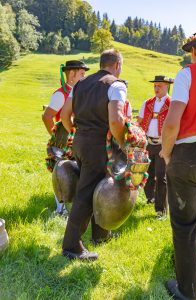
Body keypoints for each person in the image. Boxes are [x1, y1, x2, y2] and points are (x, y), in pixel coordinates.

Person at [60, 49, 129, 260]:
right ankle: (71, 246)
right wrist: (123, 142)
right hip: (100, 145)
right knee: (87, 193)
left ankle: (101, 234)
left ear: (101, 64)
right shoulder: (116, 85)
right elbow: (116, 121)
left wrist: (76, 131)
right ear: (117, 65)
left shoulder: (80, 84)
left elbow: (64, 115)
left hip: (80, 142)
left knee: (99, 186)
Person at [161, 31, 196, 300]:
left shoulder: (188, 73)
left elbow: (173, 121)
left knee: (185, 226)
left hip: (188, 154)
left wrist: (165, 152)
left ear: (195, 51)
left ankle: (188, 291)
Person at [42, 60, 89, 215]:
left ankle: (72, 205)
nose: (84, 77)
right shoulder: (60, 94)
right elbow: (47, 116)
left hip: (75, 139)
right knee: (61, 174)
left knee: (73, 172)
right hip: (63, 142)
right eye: (82, 73)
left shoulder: (76, 92)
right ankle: (60, 210)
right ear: (72, 74)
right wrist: (55, 136)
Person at [138, 75, 174, 220]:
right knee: (147, 174)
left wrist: (168, 146)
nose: (156, 88)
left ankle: (161, 210)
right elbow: (139, 121)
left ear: (167, 86)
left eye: (159, 85)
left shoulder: (172, 104)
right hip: (147, 143)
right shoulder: (147, 103)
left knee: (161, 176)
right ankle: (150, 198)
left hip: (163, 144)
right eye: (155, 85)